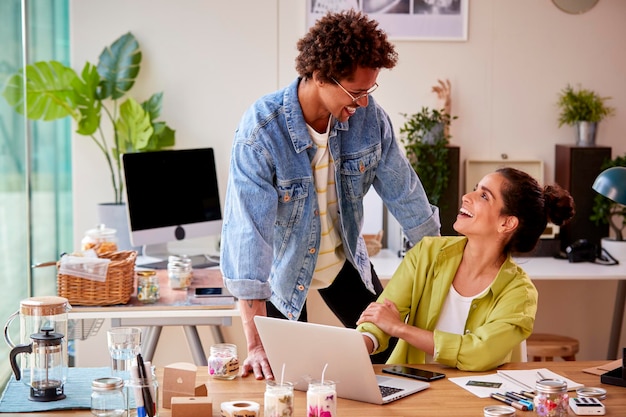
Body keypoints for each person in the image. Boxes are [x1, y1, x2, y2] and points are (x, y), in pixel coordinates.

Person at [220, 9, 440, 380]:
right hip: (284, 275)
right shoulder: (260, 133)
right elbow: (248, 238)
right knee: (285, 378)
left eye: (370, 91)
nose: (364, 103)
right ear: (321, 76)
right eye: (356, 92)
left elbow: (407, 197)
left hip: (345, 263)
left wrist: (449, 263)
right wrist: (255, 343)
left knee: (383, 363)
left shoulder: (370, 121)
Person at [357, 167, 575, 371]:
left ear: (507, 223)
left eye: (484, 196)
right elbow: (380, 319)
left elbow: (478, 352)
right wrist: (358, 347)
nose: (466, 197)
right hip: (413, 390)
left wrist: (400, 329)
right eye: (475, 190)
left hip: (479, 402)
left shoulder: (520, 293)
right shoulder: (427, 254)